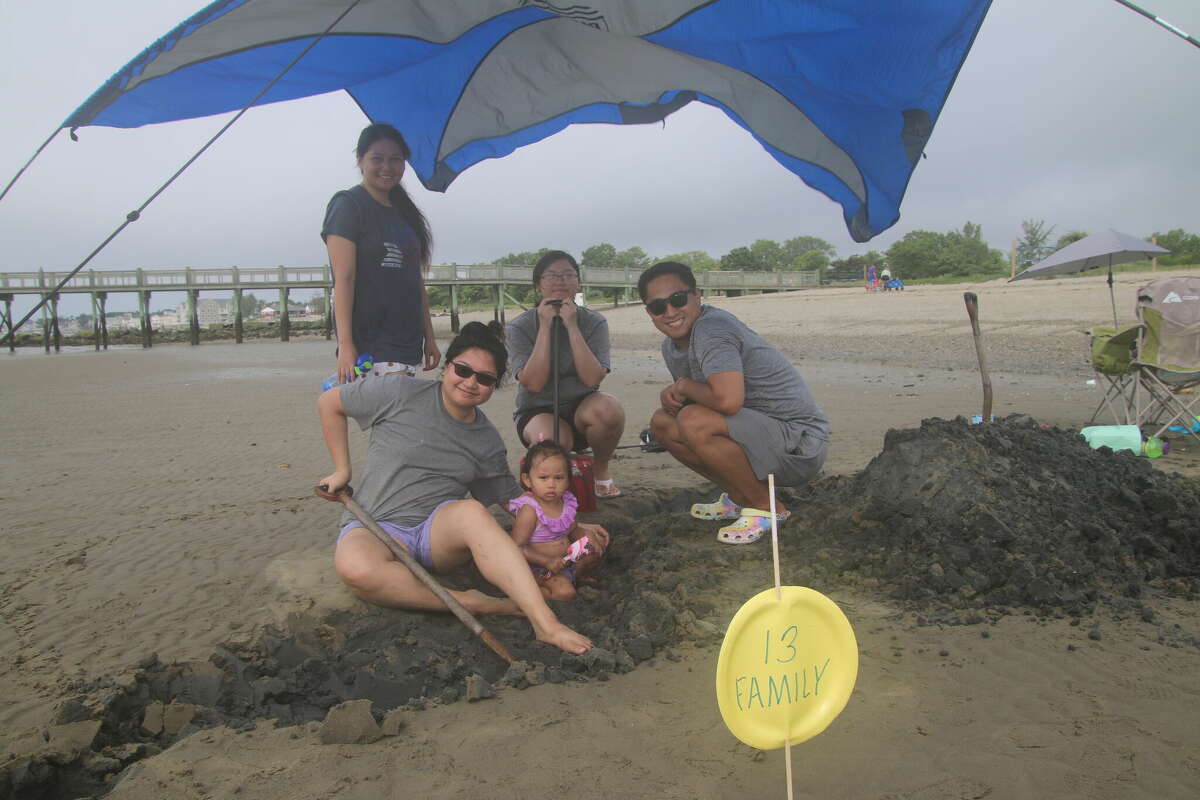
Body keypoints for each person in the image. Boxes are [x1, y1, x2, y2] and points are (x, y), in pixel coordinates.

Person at [317, 321, 592, 655]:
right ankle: (477, 603)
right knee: (354, 568)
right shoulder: (397, 393)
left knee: (472, 512)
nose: (471, 383)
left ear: (494, 387)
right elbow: (330, 403)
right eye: (463, 370)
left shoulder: (486, 440)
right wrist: (342, 470)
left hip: (437, 535)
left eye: (485, 379)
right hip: (375, 523)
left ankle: (546, 624)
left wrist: (571, 522)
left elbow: (514, 500)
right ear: (447, 367)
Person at [639, 261, 830, 545]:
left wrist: (683, 386)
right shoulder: (671, 346)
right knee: (663, 423)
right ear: (649, 312)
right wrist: (677, 396)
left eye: (678, 300)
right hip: (759, 436)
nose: (670, 312)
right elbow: (703, 399)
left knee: (694, 421)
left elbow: (727, 402)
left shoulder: (712, 329)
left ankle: (767, 508)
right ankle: (740, 498)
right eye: (658, 307)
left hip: (800, 442)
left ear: (697, 295)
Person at [322, 123, 441, 385]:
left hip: (408, 339)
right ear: (360, 160)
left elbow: (415, 281)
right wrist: (345, 344)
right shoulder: (348, 205)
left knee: (397, 421)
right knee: (398, 420)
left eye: (396, 160)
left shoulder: (405, 211)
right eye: (377, 158)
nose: (387, 167)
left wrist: (429, 337)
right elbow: (344, 278)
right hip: (373, 340)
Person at [506, 251, 625, 497]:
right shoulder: (520, 326)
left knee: (609, 410)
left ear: (578, 283)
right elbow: (534, 383)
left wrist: (571, 325)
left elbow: (592, 379)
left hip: (584, 409)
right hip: (538, 412)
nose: (560, 281)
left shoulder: (594, 322)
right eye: (551, 275)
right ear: (539, 285)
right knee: (551, 439)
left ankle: (600, 468)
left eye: (568, 275)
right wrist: (546, 326)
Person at [508, 440, 611, 601]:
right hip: (538, 567)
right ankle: (526, 594)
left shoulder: (565, 502)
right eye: (543, 478)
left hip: (564, 562)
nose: (551, 484)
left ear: (568, 480)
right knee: (565, 593)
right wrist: (546, 561)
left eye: (558, 478)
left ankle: (578, 577)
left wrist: (589, 538)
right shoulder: (530, 510)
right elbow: (516, 547)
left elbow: (572, 529)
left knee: (596, 546)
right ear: (528, 480)